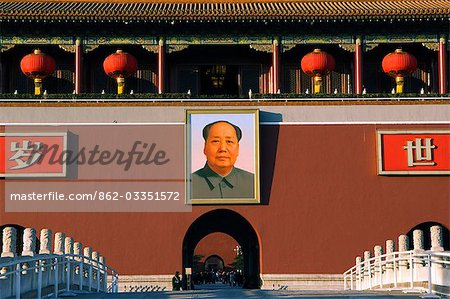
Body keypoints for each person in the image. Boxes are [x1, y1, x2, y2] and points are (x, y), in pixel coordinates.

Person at [191, 120, 254, 199]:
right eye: (216, 141)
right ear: (205, 147)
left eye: (229, 141)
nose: (223, 148)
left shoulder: (254, 183)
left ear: (238, 148)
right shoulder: (186, 185)